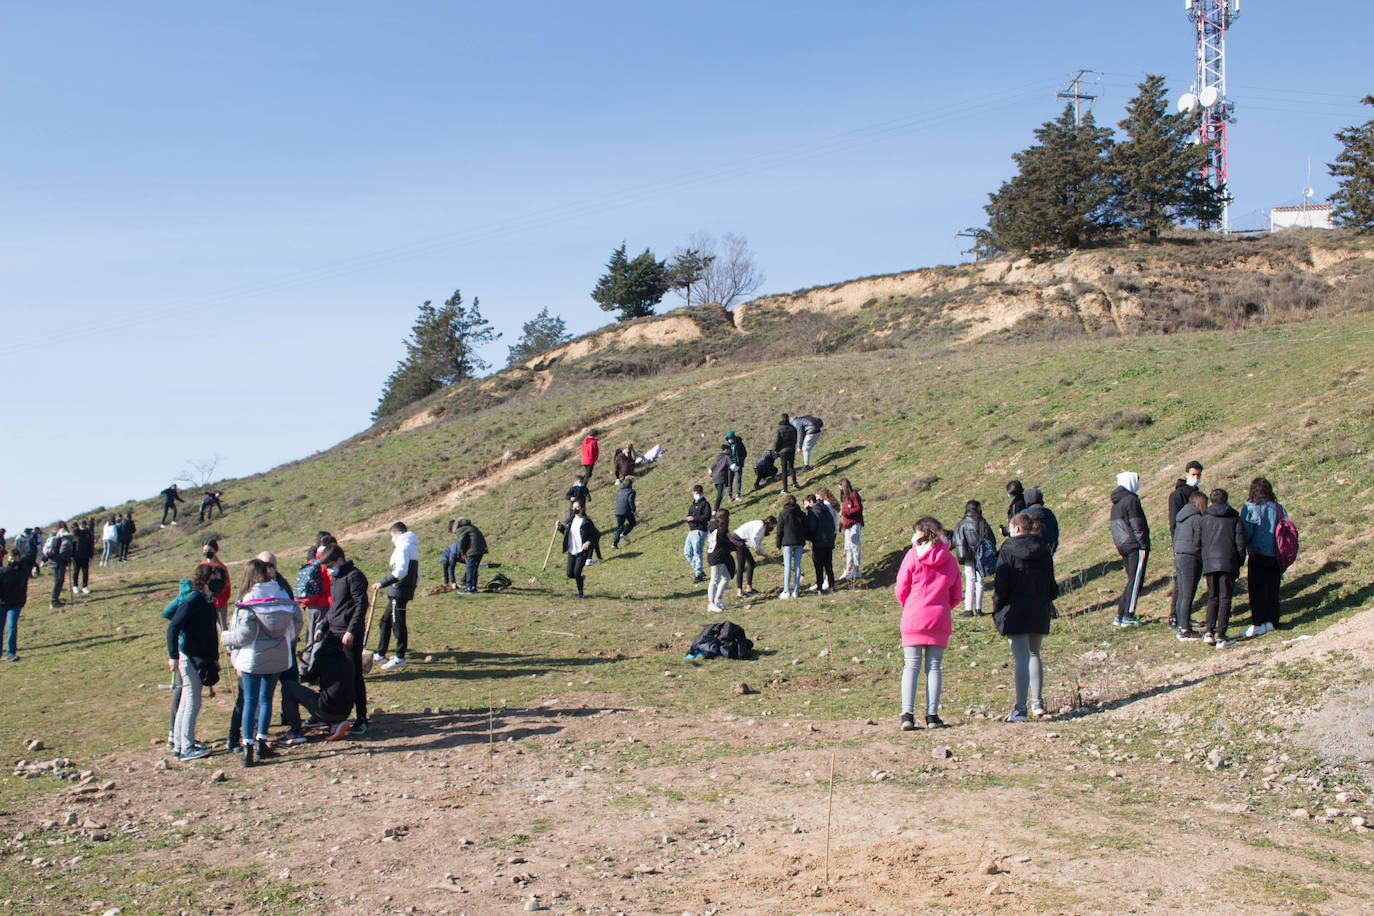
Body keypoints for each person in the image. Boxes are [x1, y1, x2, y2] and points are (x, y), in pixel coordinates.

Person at [222, 559, 301, 766]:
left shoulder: (249, 599)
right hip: (279, 656)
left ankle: (247, 748)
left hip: (253, 657)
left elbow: (244, 635)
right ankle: (261, 743)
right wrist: (288, 639)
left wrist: (226, 638)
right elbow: (296, 622)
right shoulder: (282, 594)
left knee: (250, 700)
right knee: (267, 699)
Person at [894, 517, 962, 730]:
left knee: (910, 666)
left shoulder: (913, 555)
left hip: (914, 615)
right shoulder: (949, 559)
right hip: (939, 617)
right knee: (934, 667)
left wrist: (909, 605)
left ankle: (907, 714)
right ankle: (932, 715)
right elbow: (957, 594)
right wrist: (942, 607)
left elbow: (900, 587)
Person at [993, 512, 1058, 722]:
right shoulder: (1044, 548)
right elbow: (1052, 584)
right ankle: (1037, 702)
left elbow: (1001, 584)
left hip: (1015, 608)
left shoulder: (1008, 549)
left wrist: (997, 606)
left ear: (1017, 528)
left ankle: (1020, 708)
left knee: (1020, 658)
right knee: (1034, 654)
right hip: (1039, 607)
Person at [165, 563, 223, 761]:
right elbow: (173, 627)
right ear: (206, 579)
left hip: (200, 658)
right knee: (193, 702)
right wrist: (173, 655)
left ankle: (181, 743)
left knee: (187, 702)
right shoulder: (193, 600)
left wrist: (214, 658)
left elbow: (211, 633)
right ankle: (186, 747)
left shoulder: (207, 601)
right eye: (215, 576)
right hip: (188, 657)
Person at [318, 544, 371, 734]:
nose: (329, 570)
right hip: (333, 633)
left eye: (330, 565)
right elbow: (335, 607)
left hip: (349, 636)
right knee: (327, 670)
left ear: (340, 559)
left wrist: (352, 630)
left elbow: (361, 605)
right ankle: (327, 712)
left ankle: (362, 718)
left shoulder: (354, 576)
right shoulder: (336, 577)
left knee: (354, 675)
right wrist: (323, 626)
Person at [1199, 488, 1248, 648]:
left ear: (1211, 502)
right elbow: (1241, 544)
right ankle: (1221, 634)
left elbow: (1199, 542)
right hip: (1228, 562)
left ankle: (1209, 631)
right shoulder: (1234, 518)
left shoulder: (1204, 519)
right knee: (1225, 598)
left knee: (1213, 597)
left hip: (1210, 564)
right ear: (1226, 500)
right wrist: (1239, 562)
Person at [1240, 476, 1286, 637]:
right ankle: (1271, 621)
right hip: (1275, 554)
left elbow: (1247, 532)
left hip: (1257, 553)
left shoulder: (1250, 507)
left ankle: (1258, 623)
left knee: (1257, 590)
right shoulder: (1278, 508)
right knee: (1272, 589)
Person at [373, 522, 419, 671]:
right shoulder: (411, 547)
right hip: (400, 590)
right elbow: (417, 574)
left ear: (397, 533)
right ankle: (381, 653)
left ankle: (400, 657)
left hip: (398, 591)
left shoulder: (403, 546)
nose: (392, 539)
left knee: (398, 624)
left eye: (392, 535)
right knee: (385, 622)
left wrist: (382, 583)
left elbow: (400, 571)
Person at [1108, 472, 1150, 627]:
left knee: (1132, 580)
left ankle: (1120, 614)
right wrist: (1143, 543)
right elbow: (1137, 524)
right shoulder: (1131, 500)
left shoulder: (1116, 503)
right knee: (1136, 579)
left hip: (1122, 544)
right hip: (1134, 545)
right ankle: (1129, 615)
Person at [1166, 461, 1204, 627]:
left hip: (1195, 545)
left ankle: (1184, 617)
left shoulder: (1197, 493)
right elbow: (1174, 522)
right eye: (1193, 474)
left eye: (1198, 475)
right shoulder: (1177, 495)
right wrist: (1177, 545)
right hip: (1183, 545)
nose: (1196, 478)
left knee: (1190, 583)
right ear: (1186, 473)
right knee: (1181, 584)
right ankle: (1175, 616)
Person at [1171, 491, 1208, 640]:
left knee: (1181, 594)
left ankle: (1181, 624)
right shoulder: (1197, 519)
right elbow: (1200, 540)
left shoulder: (1181, 518)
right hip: (1190, 558)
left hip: (1179, 556)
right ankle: (1185, 629)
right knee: (1187, 594)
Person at [952, 500, 996, 618]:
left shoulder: (961, 524)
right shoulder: (982, 522)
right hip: (981, 555)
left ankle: (968, 609)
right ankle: (979, 609)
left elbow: (956, 541)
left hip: (967, 556)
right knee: (980, 580)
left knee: (970, 580)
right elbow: (992, 539)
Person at [558, 502, 597, 599]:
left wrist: (587, 543)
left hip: (582, 551)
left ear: (582, 509)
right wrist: (559, 527)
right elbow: (566, 533)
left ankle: (581, 593)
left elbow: (595, 535)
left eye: (578, 507)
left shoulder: (587, 522)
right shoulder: (570, 521)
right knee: (570, 574)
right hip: (572, 550)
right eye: (574, 507)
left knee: (576, 572)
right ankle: (581, 578)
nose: (575, 509)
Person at [733, 516, 776, 598]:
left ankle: (749, 588)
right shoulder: (761, 527)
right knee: (741, 566)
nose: (772, 529)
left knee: (751, 563)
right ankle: (739, 592)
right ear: (770, 523)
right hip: (738, 540)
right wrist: (757, 550)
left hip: (742, 541)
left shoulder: (762, 526)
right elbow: (754, 539)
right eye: (773, 526)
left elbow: (757, 543)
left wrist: (766, 555)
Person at [775, 494, 807, 599]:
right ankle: (796, 590)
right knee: (797, 565)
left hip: (787, 541)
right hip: (799, 541)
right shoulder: (801, 513)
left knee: (787, 566)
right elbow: (805, 527)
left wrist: (778, 544)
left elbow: (779, 530)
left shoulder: (783, 513)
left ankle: (786, 591)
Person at [705, 509, 737, 613]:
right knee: (714, 580)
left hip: (716, 555)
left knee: (726, 577)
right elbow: (730, 541)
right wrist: (741, 545)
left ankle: (718, 599)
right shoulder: (722, 530)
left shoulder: (713, 526)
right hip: (716, 556)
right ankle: (711, 604)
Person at [805, 494, 837, 593]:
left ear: (811, 502)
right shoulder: (825, 509)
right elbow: (832, 524)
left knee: (818, 567)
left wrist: (809, 537)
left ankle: (819, 587)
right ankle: (832, 586)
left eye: (806, 503)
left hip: (818, 542)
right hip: (828, 541)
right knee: (828, 565)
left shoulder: (812, 511)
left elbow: (812, 527)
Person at [1, 552, 31, 662]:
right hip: (2, 604)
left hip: (15, 604)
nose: (13, 560)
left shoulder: (22, 572)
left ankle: (10, 654)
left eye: (15, 558)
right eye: (11, 558)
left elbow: (24, 587)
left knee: (12, 627)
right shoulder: (3, 572)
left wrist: (22, 601)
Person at [200, 539, 232, 627]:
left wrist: (215, 591)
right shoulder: (202, 565)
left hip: (219, 602)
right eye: (205, 550)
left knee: (222, 626)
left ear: (215, 550)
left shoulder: (220, 567)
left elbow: (226, 585)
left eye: (209, 550)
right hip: (206, 602)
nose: (207, 552)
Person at [683, 485, 710, 584]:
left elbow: (707, 517)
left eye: (698, 493)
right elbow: (689, 515)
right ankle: (699, 569)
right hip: (691, 531)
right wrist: (689, 519)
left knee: (697, 552)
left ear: (701, 493)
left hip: (700, 530)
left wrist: (694, 519)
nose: (696, 495)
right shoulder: (692, 505)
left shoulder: (705, 504)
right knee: (687, 552)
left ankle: (698, 574)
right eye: (695, 493)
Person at [452, 518, 487, 593]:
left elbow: (462, 542)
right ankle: (473, 587)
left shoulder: (460, 530)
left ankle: (469, 588)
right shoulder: (471, 527)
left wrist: (463, 553)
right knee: (474, 569)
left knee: (470, 569)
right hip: (481, 549)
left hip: (473, 551)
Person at [838, 478, 864, 581]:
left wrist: (846, 513)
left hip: (855, 523)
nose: (840, 490)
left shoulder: (854, 495)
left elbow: (858, 508)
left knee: (854, 545)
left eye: (841, 488)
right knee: (848, 547)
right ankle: (848, 568)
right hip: (847, 526)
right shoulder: (845, 498)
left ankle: (856, 569)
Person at [43, 522, 74, 609]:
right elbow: (64, 550)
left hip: (52, 560)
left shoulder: (53, 534)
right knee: (58, 580)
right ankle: (54, 601)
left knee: (57, 580)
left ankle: (55, 599)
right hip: (59, 561)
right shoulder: (65, 535)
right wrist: (67, 559)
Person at [1022, 488, 1059, 556]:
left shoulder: (1023, 515)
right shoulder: (1048, 513)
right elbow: (1055, 531)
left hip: (1030, 553)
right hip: (1048, 550)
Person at [773, 415, 799, 493]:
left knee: (784, 470)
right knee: (791, 466)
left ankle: (785, 489)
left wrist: (776, 450)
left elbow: (777, 441)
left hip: (783, 451)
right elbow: (795, 439)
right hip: (791, 449)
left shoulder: (779, 429)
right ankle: (795, 482)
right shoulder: (793, 428)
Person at [69, 519, 94, 596]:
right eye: (82, 524)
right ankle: (75, 586)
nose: (83, 526)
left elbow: (91, 545)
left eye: (84, 524)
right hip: (76, 555)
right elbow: (72, 543)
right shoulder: (77, 532)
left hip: (85, 555)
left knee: (85, 571)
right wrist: (71, 555)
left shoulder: (88, 533)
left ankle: (84, 586)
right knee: (76, 571)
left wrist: (91, 555)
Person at [612, 476, 637, 548]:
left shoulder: (620, 491)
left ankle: (614, 544)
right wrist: (633, 510)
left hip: (617, 511)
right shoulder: (631, 491)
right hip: (626, 511)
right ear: (630, 484)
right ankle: (624, 533)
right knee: (632, 522)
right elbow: (630, 501)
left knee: (619, 527)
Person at [724, 431, 747, 502]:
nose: (730, 440)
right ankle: (729, 496)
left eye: (731, 438)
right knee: (729, 480)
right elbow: (724, 455)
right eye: (728, 439)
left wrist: (740, 461)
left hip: (738, 465)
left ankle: (738, 494)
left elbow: (744, 453)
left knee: (738, 480)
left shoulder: (739, 443)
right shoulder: (726, 445)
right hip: (729, 465)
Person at [709, 446, 731, 512]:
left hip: (714, 478)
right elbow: (732, 466)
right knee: (720, 495)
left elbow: (712, 468)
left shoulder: (718, 456)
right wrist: (738, 468)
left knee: (719, 493)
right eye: (729, 450)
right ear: (726, 449)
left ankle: (715, 509)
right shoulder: (727, 457)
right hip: (721, 478)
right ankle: (715, 511)